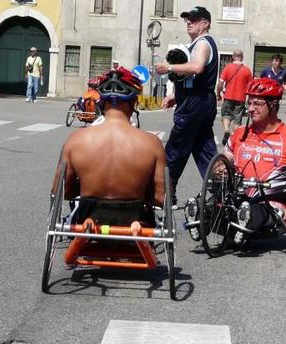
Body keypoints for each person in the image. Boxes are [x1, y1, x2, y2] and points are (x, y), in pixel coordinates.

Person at [52, 67, 166, 229]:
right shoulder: (152, 143)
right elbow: (161, 198)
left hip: (88, 223)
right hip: (135, 224)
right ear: (134, 103)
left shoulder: (75, 140)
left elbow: (61, 191)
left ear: (102, 102)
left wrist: (87, 184)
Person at [224, 78, 286, 243]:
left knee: (253, 211)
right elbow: (222, 162)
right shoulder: (239, 133)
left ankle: (245, 219)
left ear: (272, 104)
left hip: (271, 201)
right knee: (211, 210)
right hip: (236, 196)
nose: (250, 109)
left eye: (257, 104)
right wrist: (219, 170)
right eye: (249, 103)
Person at [155, 6, 218, 206]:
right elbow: (192, 77)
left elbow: (197, 67)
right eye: (187, 19)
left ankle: (165, 192)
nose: (189, 22)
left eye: (194, 19)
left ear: (205, 23)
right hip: (199, 102)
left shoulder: (203, 43)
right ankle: (222, 192)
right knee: (203, 149)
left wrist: (170, 67)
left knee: (175, 148)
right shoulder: (197, 43)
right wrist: (175, 95)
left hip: (195, 104)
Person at [216, 49, 252, 145]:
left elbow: (220, 83)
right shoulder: (247, 70)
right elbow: (250, 86)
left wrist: (218, 94)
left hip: (228, 96)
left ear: (233, 57)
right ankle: (234, 138)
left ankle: (227, 130)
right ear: (242, 57)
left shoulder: (228, 67)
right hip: (241, 98)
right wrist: (250, 100)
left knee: (226, 114)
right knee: (237, 119)